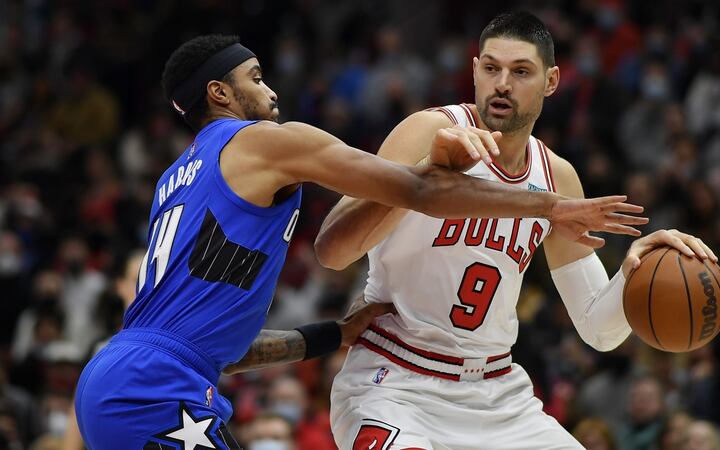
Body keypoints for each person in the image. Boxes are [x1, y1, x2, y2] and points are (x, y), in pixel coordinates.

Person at [74, 34, 645, 449]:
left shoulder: (178, 179)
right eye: (255, 78)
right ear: (220, 94)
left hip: (130, 375)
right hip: (156, 387)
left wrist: (334, 334)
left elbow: (221, 350)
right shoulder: (262, 142)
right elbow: (421, 190)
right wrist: (551, 207)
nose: (271, 91)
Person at [315, 11, 718, 450]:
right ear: (474, 71)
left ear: (551, 81)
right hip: (394, 382)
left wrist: (634, 271)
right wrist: (423, 175)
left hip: (496, 394)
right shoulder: (429, 130)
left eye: (520, 71)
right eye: (491, 68)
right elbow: (332, 251)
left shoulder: (556, 177)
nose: (502, 83)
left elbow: (598, 331)